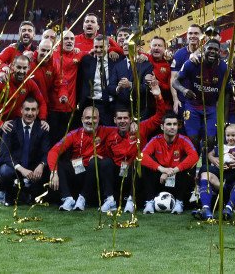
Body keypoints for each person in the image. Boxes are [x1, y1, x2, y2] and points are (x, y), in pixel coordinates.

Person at [0, 55, 46, 207]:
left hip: (7, 125)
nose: (21, 71)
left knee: (9, 157)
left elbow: (41, 102)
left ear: (28, 69)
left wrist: (43, 120)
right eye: (18, 67)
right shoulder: (0, 82)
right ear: (12, 67)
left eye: (24, 68)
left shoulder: (29, 83)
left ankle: (0, 192)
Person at [106, 77, 169, 213]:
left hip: (139, 173)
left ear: (130, 119)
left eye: (125, 118)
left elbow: (160, 116)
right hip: (120, 173)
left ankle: (136, 200)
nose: (123, 121)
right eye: (120, 119)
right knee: (105, 163)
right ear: (115, 120)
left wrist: (158, 96)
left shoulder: (141, 127)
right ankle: (109, 199)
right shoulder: (109, 133)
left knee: (139, 162)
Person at [47, 106, 118, 212]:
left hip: (94, 172)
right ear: (82, 119)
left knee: (95, 162)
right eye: (87, 118)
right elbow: (53, 151)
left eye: (94, 118)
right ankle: (68, 199)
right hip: (79, 169)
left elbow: (123, 128)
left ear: (98, 119)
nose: (90, 121)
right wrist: (53, 172)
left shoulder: (106, 131)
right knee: (60, 164)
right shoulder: (73, 134)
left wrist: (133, 125)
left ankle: (82, 198)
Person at [0, 96, 50, 206]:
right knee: (5, 171)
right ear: (21, 110)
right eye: (27, 109)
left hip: (33, 169)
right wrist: (21, 169)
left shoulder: (42, 128)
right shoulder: (10, 126)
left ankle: (28, 192)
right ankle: (8, 196)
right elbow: (4, 155)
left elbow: (47, 152)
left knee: (47, 170)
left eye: (33, 110)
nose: (30, 113)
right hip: (14, 167)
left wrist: (42, 164)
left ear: (38, 111)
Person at [140, 112, 200, 214]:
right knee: (146, 164)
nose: (172, 127)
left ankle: (179, 202)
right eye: (169, 124)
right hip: (160, 179)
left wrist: (174, 170)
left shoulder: (183, 139)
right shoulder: (156, 140)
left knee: (188, 162)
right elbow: (142, 156)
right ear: (162, 127)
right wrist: (162, 169)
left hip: (177, 179)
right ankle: (150, 201)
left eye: (175, 124)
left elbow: (194, 156)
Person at [175, 39, 228, 146]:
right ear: (204, 50)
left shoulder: (223, 68)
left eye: (216, 49)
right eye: (210, 48)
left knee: (210, 140)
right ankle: (193, 161)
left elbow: (227, 92)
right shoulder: (192, 63)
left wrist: (223, 115)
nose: (212, 51)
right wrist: (184, 90)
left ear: (219, 52)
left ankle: (206, 162)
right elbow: (175, 82)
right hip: (192, 106)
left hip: (211, 108)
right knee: (193, 139)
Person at [195, 124, 235, 220]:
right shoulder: (220, 147)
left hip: (233, 180)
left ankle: (229, 208)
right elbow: (210, 154)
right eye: (228, 135)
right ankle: (206, 209)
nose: (230, 138)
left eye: (233, 135)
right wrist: (214, 160)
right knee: (205, 173)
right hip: (220, 181)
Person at [77, 35, 129, 126]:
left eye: (101, 47)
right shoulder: (86, 61)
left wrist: (144, 57)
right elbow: (79, 81)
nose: (98, 49)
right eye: (96, 47)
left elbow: (128, 52)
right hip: (91, 104)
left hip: (111, 105)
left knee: (110, 134)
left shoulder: (116, 59)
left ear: (108, 47)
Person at [50, 29, 84, 141]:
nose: (69, 41)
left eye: (71, 39)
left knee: (68, 140)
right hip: (53, 106)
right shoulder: (51, 54)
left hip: (70, 106)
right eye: (66, 39)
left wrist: (113, 49)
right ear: (60, 41)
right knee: (54, 139)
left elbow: (96, 51)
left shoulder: (78, 54)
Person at [170, 24, 203, 110]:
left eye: (196, 33)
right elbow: (173, 78)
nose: (193, 36)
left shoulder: (207, 54)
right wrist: (175, 99)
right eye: (190, 33)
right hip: (184, 101)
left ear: (201, 36)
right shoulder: (179, 54)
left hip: (203, 102)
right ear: (187, 36)